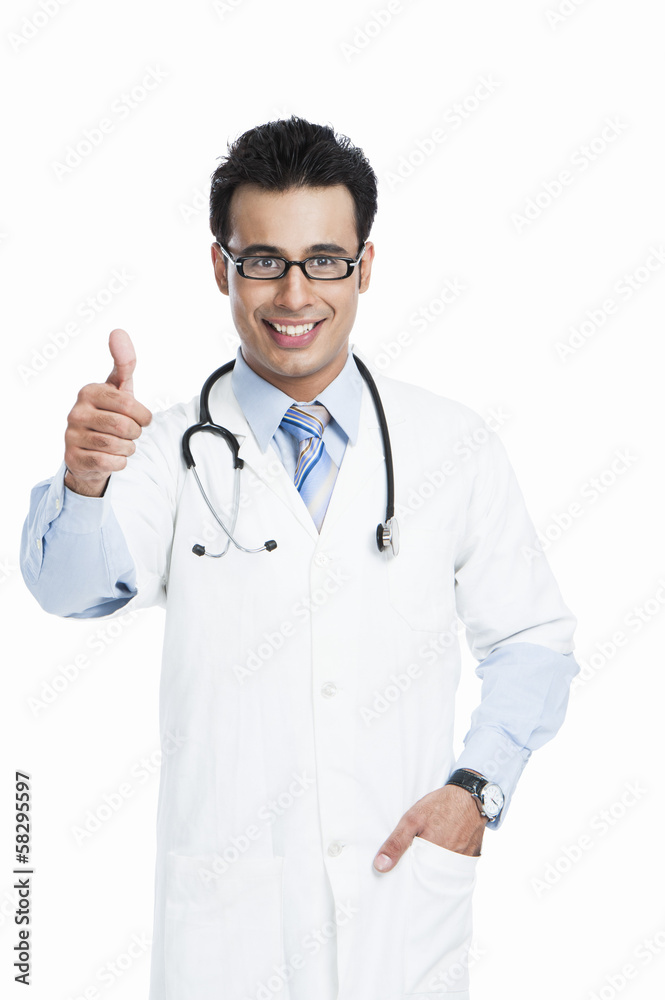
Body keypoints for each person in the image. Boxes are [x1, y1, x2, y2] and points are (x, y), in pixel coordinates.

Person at [21, 116, 579, 1000]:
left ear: (363, 267)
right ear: (221, 267)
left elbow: (534, 639)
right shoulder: (166, 450)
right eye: (262, 260)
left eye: (323, 260)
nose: (293, 295)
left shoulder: (451, 446)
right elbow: (70, 591)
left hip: (399, 909)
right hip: (226, 925)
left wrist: (477, 789)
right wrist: (85, 481)